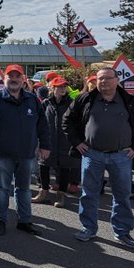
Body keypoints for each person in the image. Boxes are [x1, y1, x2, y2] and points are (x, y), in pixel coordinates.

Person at [62, 68, 134, 248]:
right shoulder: (85, 99)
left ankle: (122, 232)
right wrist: (77, 143)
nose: (104, 81)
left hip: (121, 156)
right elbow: (67, 121)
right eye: (100, 78)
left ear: (117, 80)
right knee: (89, 194)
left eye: (107, 78)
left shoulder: (131, 101)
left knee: (122, 195)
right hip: (92, 154)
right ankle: (88, 228)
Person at [0, 64, 50, 236]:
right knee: (2, 189)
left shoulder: (32, 99)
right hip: (2, 154)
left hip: (26, 154)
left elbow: (42, 125)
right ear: (5, 78)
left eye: (17, 76)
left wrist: (45, 145)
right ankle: (0, 220)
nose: (14, 79)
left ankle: (24, 221)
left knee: (24, 189)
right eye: (10, 76)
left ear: (23, 79)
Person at [34, 76, 80, 208]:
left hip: (65, 142)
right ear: (52, 88)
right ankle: (43, 192)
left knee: (64, 168)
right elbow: (40, 121)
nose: (62, 89)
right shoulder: (46, 103)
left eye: (64, 86)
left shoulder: (72, 103)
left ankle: (61, 195)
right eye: (59, 86)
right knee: (44, 166)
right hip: (48, 141)